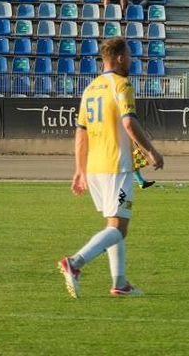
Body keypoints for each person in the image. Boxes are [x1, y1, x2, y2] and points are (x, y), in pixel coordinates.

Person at [59, 38, 164, 299]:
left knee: (114, 225)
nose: (131, 60)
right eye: (128, 55)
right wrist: (151, 151)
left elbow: (80, 133)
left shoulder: (91, 88)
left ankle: (120, 283)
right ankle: (74, 262)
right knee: (119, 228)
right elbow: (129, 123)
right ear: (118, 58)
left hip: (95, 166)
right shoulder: (121, 84)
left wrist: (79, 169)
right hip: (115, 165)